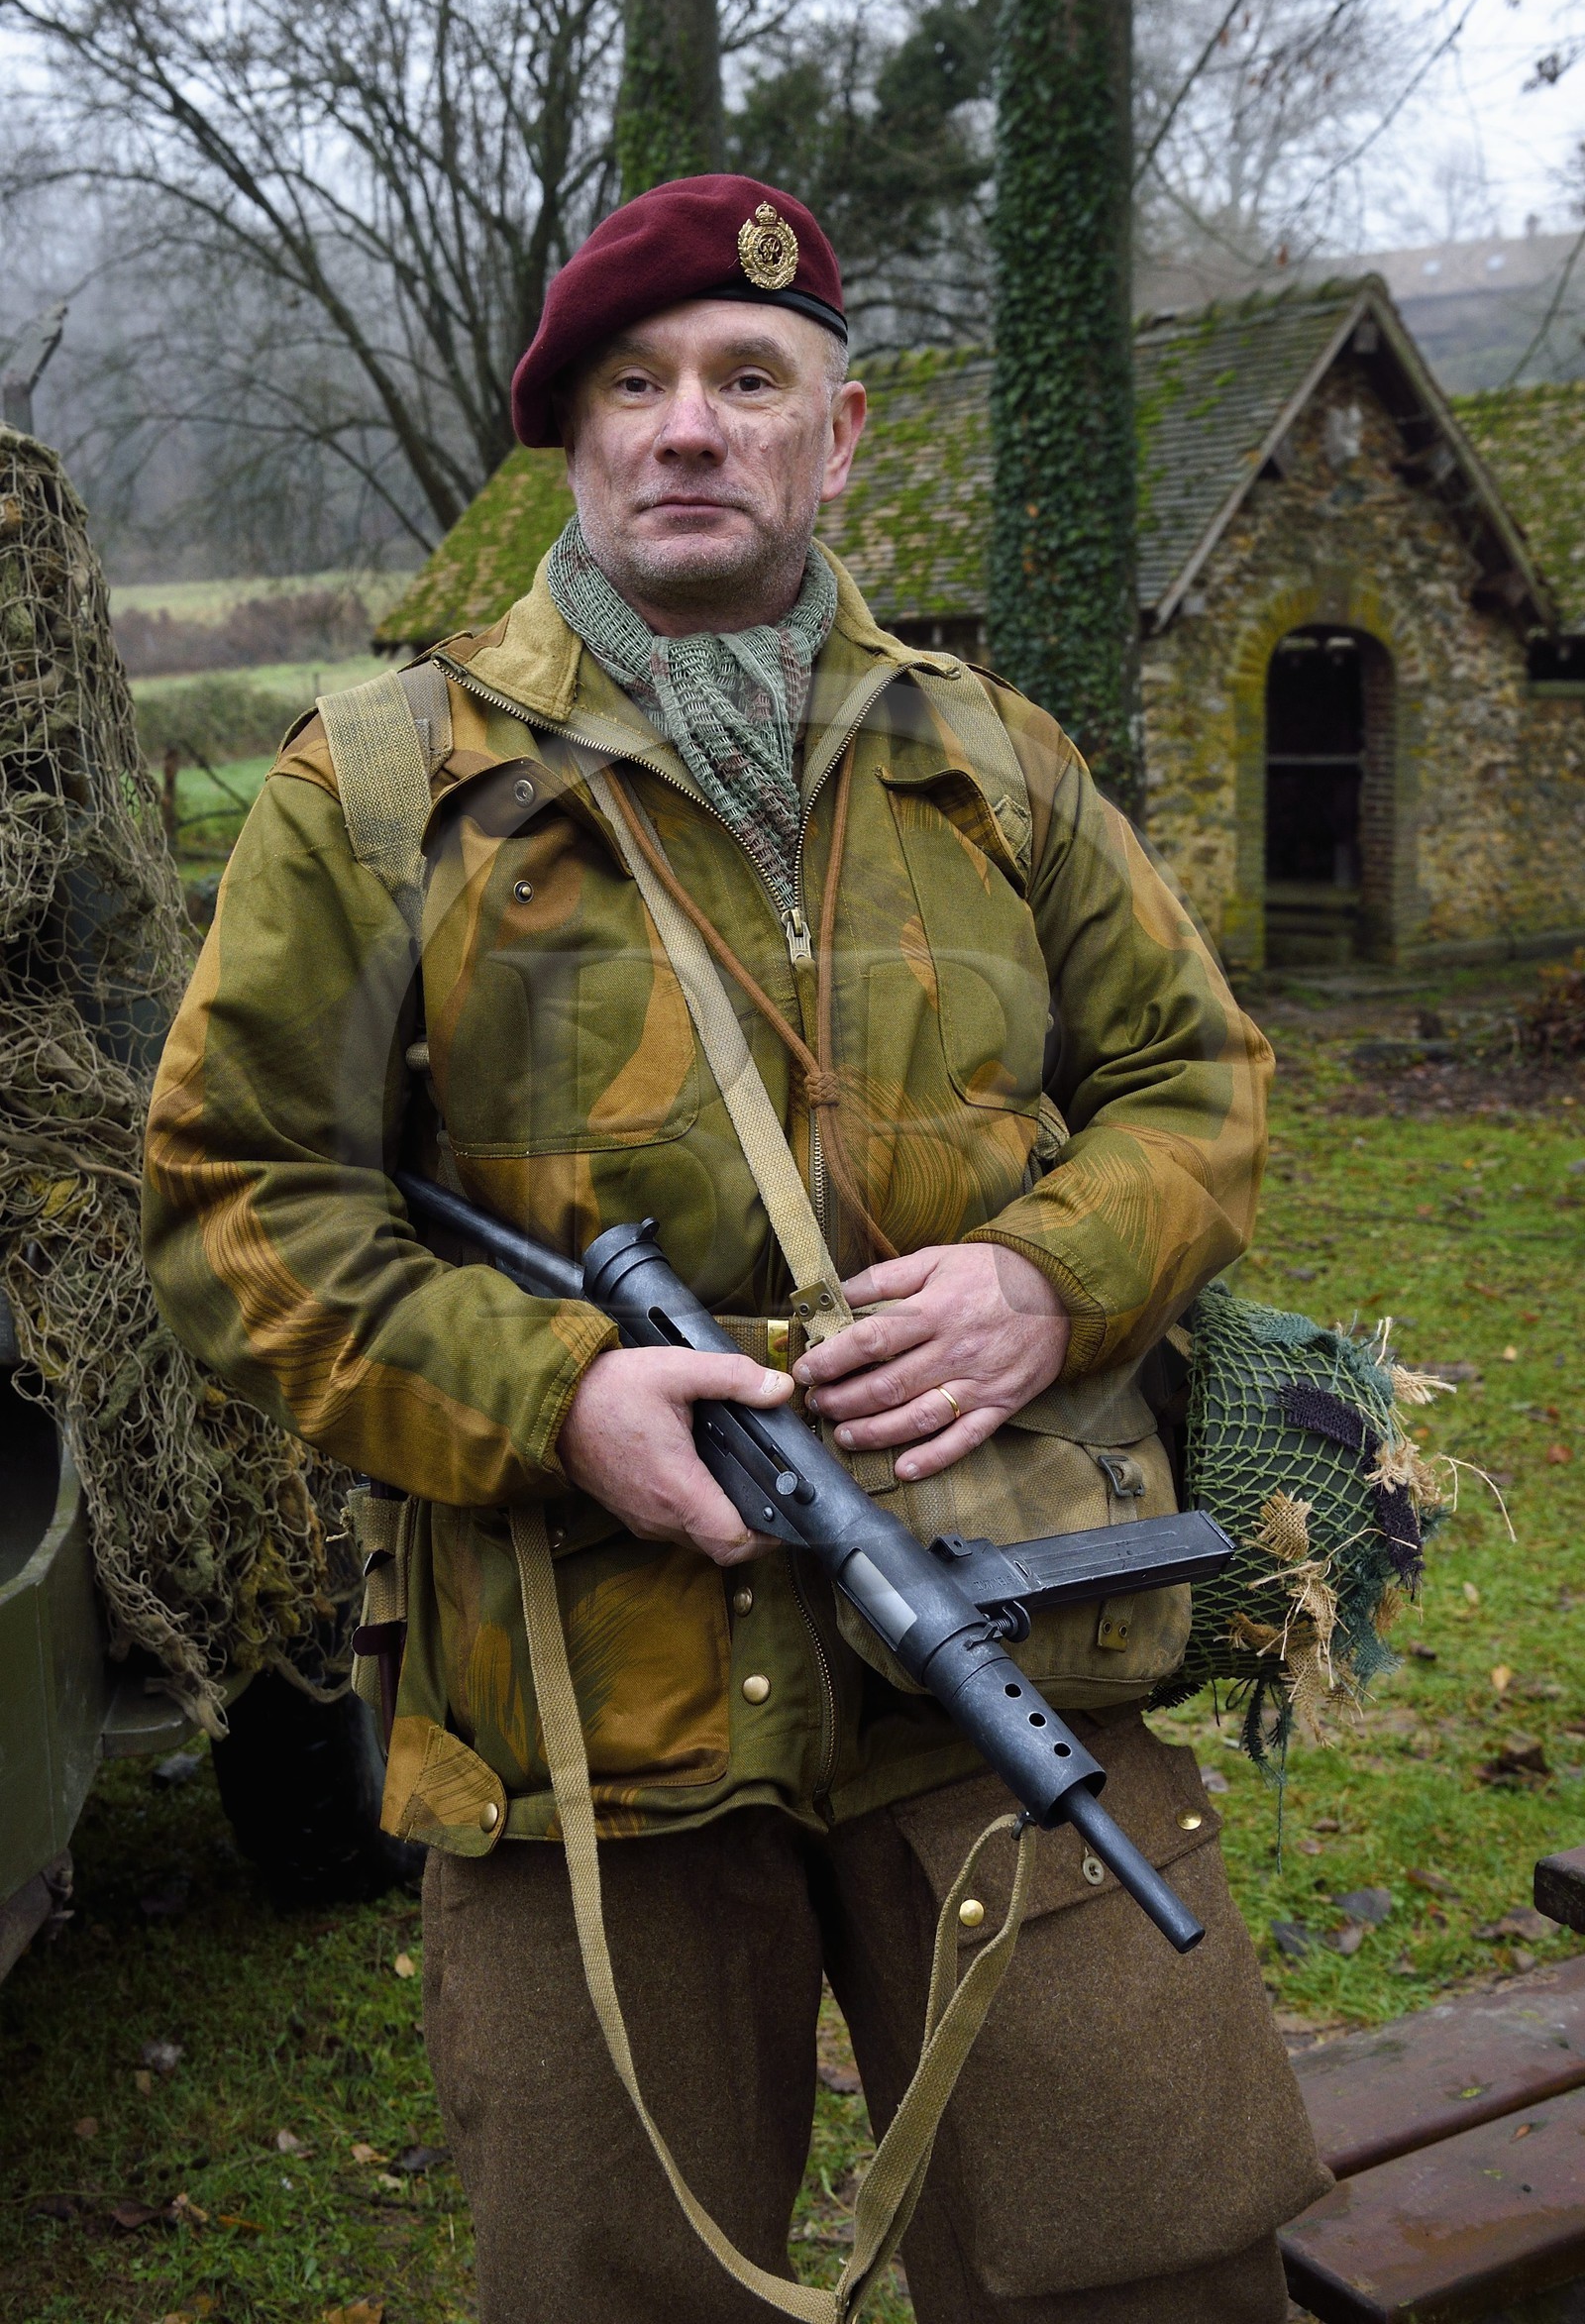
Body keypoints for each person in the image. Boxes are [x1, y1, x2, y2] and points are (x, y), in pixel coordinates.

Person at [144, 174, 1328, 2322]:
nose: (689, 425)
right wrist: (552, 1391)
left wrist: (1044, 1272)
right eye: (635, 383)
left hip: (996, 1653)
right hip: (588, 1712)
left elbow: (1198, 1082)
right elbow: (236, 1202)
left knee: (1155, 2250)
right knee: (616, 2283)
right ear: (571, 444)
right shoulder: (380, 788)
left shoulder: (996, 764)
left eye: (747, 379)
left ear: (838, 432)